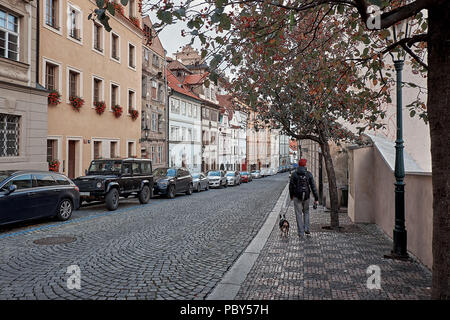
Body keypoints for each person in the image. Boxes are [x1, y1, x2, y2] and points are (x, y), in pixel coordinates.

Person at [289, 158, 319, 237]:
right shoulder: (309, 174)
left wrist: (291, 196)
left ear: (298, 165)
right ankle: (307, 228)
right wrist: (316, 198)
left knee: (298, 214)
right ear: (305, 165)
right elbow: (313, 187)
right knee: (306, 212)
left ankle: (301, 233)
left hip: (297, 196)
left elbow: (291, 186)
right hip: (306, 196)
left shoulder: (294, 174)